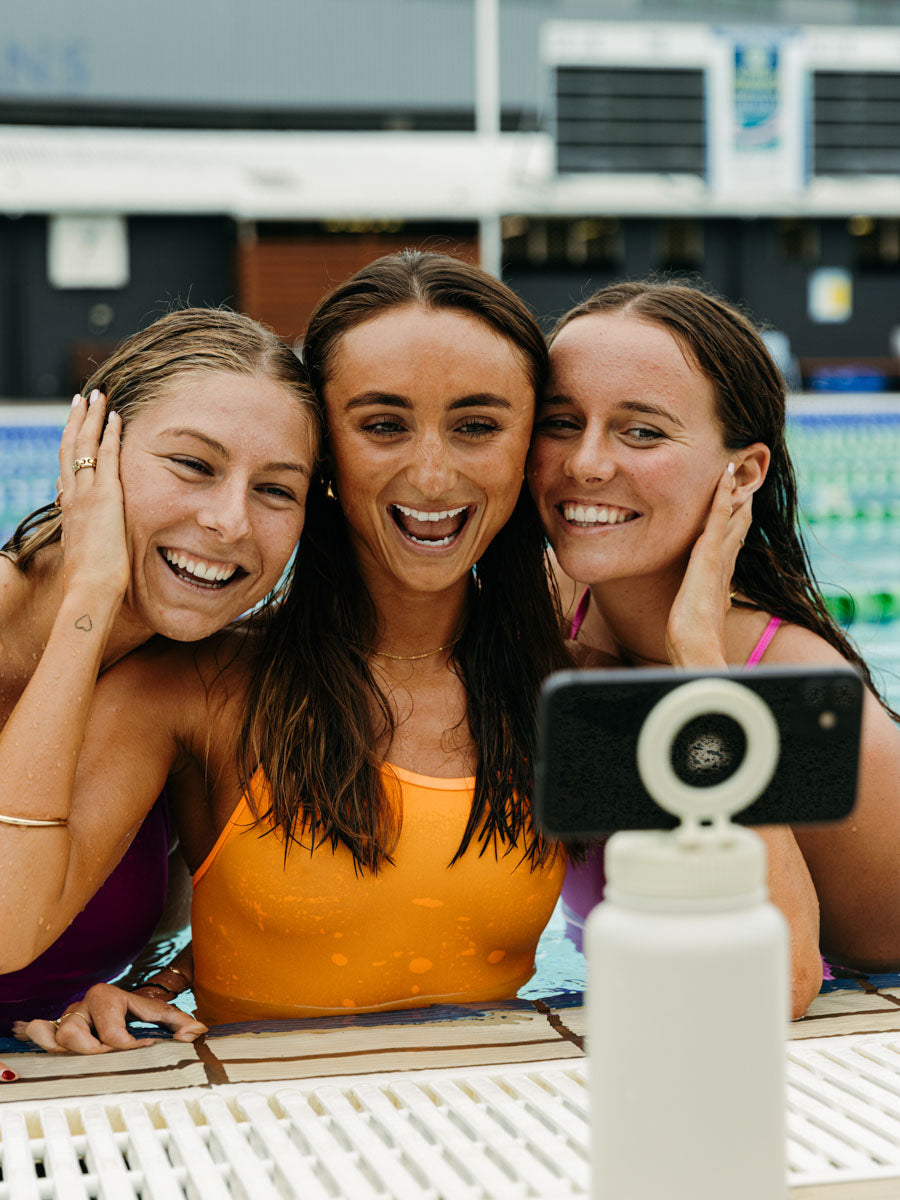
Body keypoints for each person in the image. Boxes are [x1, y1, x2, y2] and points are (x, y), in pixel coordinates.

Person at [9, 251, 570, 1051]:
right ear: (330, 459)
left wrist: (160, 978)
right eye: (382, 425)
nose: (433, 472)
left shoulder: (568, 691)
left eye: (478, 426)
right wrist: (90, 594)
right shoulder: (189, 687)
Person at [528, 280, 900, 1018]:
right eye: (562, 422)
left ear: (746, 472)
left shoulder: (807, 697)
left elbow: (777, 987)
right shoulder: (544, 612)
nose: (587, 463)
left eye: (642, 432)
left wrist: (702, 665)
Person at [0, 307, 319, 1070]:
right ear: (90, 453)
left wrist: (141, 989)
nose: (229, 521)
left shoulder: (193, 682)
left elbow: (203, 924)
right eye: (193, 465)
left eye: (277, 491)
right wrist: (92, 592)